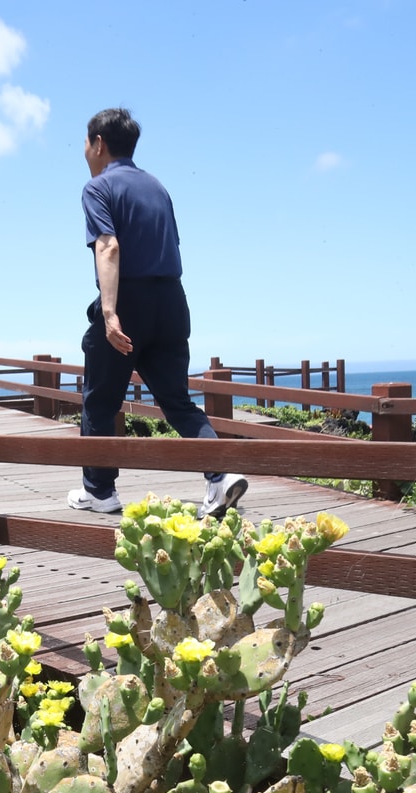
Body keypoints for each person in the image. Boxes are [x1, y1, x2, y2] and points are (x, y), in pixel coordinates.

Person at [69, 108, 249, 519]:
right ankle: (219, 477)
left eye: (84, 141)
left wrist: (111, 313)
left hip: (129, 300)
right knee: (177, 400)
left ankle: (99, 491)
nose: (83, 149)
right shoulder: (158, 187)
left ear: (98, 143)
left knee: (99, 400)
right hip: (171, 300)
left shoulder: (97, 188)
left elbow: (108, 247)